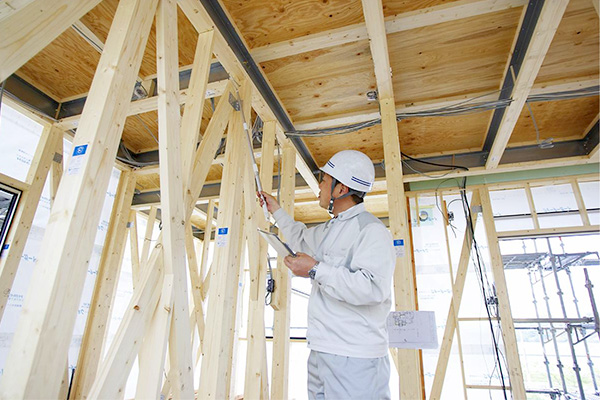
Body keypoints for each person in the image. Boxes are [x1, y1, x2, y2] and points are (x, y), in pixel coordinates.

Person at [258, 150, 396, 400]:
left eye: (323, 180)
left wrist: (314, 269)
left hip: (355, 357)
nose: (319, 186)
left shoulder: (371, 231)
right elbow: (300, 238)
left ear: (340, 189)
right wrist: (275, 210)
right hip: (322, 350)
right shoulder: (331, 229)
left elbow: (373, 289)